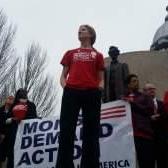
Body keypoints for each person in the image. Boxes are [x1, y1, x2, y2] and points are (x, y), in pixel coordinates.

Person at [56, 24, 104, 168]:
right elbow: (63, 76)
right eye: (79, 30)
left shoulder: (98, 55)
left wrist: (99, 89)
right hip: (72, 92)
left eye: (83, 29)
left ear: (91, 34)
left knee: (91, 132)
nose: (80, 31)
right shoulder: (70, 53)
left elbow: (101, 78)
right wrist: (67, 88)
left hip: (91, 93)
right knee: (66, 131)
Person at [122, 74, 154, 168]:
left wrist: (132, 103)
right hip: (127, 136)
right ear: (128, 85)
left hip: (142, 134)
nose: (137, 82)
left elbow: (149, 110)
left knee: (146, 162)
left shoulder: (145, 97)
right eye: (134, 81)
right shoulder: (123, 98)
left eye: (137, 80)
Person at [6, 89, 37, 168]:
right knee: (11, 158)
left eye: (24, 92)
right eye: (21, 92)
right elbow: (6, 120)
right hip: (13, 136)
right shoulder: (13, 105)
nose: (23, 93)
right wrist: (13, 119)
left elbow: (34, 119)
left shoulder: (31, 105)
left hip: (26, 136)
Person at [143, 83, 168, 168]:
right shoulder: (141, 105)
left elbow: (167, 117)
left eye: (153, 88)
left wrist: (159, 116)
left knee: (164, 163)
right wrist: (150, 118)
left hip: (163, 139)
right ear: (144, 92)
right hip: (149, 140)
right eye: (149, 89)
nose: (152, 90)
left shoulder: (162, 104)